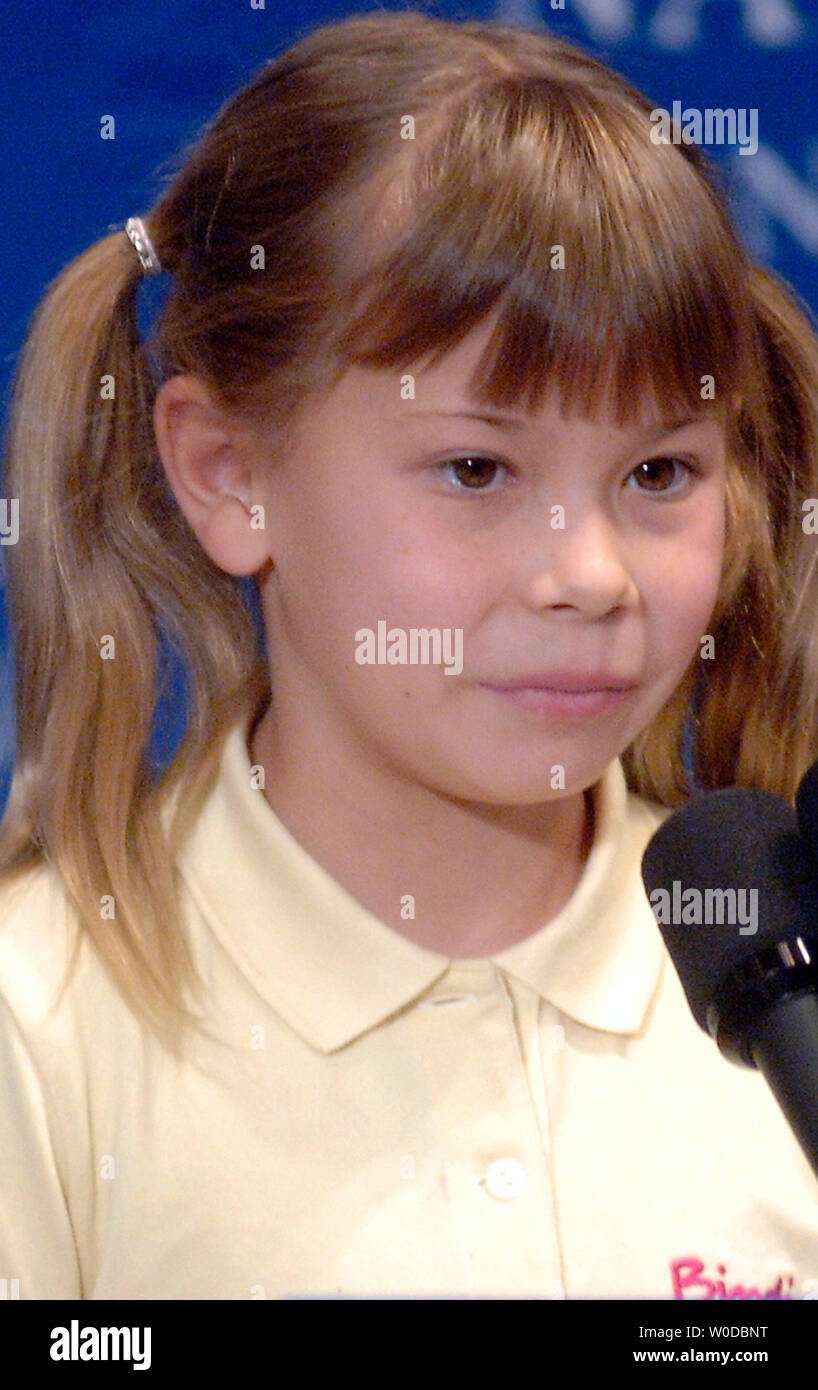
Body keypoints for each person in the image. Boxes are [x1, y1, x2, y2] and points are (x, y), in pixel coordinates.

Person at [1, 8, 817, 1301]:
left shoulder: (789, 1003)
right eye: (477, 467)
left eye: (658, 471)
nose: (590, 574)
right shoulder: (36, 1030)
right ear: (227, 471)